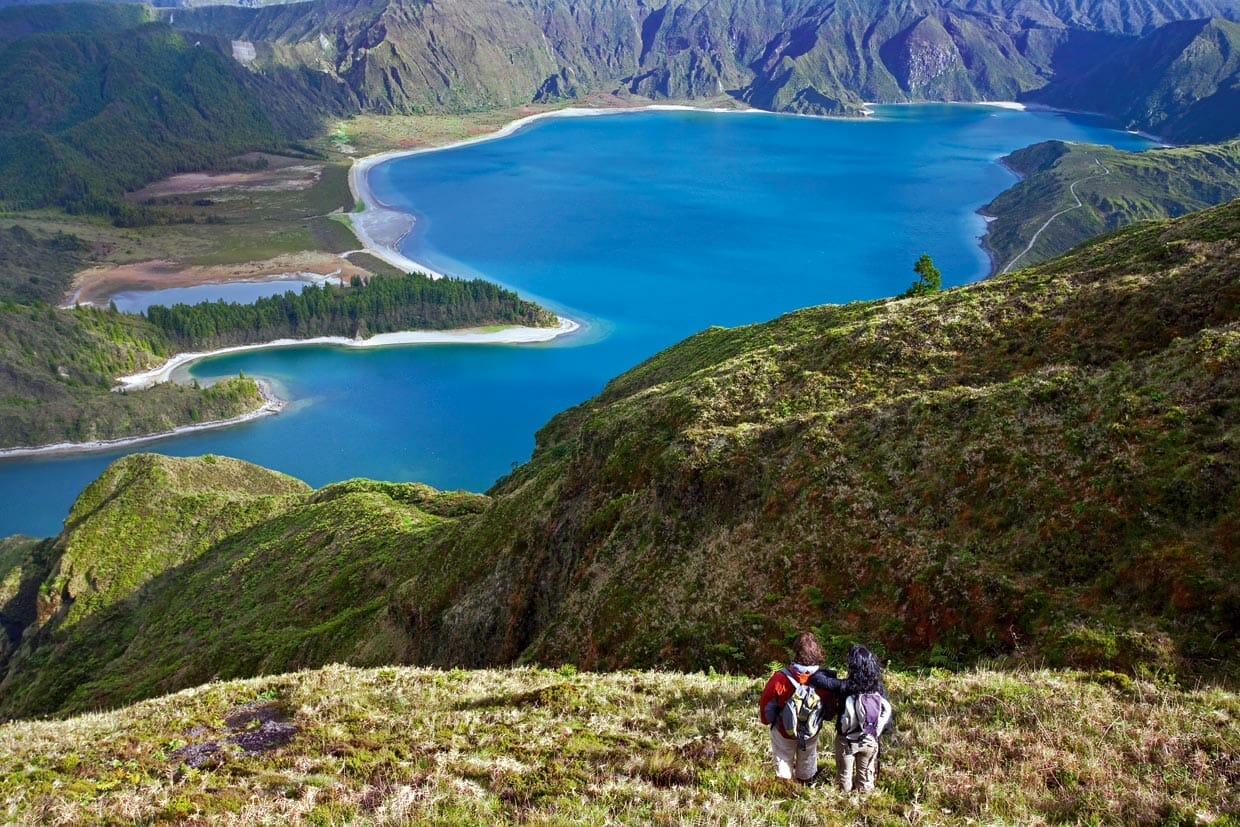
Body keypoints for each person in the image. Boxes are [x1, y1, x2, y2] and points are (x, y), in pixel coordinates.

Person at [758, 632, 842, 782]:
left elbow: (767, 705)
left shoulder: (780, 679)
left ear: (795, 653)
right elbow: (830, 708)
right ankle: (805, 783)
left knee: (783, 757)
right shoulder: (825, 680)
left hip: (784, 730)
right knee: (808, 756)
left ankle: (785, 786)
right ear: (818, 654)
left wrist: (767, 721)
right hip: (811, 730)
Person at [827, 643, 893, 793]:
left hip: (846, 740)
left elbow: (819, 679)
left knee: (843, 781)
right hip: (869, 740)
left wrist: (830, 673)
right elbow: (887, 718)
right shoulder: (878, 689)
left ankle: (844, 807)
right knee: (866, 782)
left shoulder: (845, 687)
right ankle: (864, 807)